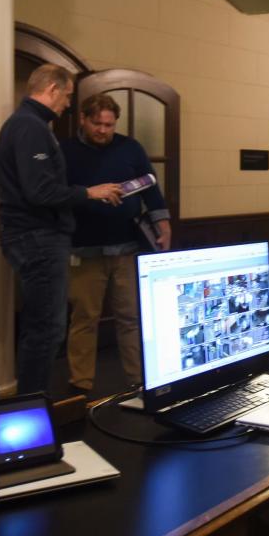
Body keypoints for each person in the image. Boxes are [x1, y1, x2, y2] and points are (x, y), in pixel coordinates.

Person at [0, 65, 123, 395]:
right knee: (46, 329)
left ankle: (31, 404)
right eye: (66, 96)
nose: (67, 104)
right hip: (37, 237)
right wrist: (89, 192)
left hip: (36, 236)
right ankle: (32, 410)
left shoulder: (30, 125)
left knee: (43, 326)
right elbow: (40, 192)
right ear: (52, 89)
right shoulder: (29, 127)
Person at [60, 93, 171, 394]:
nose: (103, 130)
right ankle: (80, 385)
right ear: (83, 119)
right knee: (84, 320)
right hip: (84, 250)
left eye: (109, 125)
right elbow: (55, 192)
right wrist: (89, 192)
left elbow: (151, 189)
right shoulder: (65, 150)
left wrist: (164, 226)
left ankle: (138, 380)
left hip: (126, 248)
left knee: (131, 318)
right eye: (97, 123)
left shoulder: (130, 148)